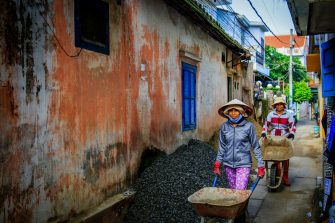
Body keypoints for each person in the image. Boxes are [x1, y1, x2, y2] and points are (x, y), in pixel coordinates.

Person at [213, 99, 265, 190]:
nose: (233, 113)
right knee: (233, 193)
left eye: (236, 110)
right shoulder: (224, 127)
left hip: (243, 163)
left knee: (240, 191)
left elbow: (255, 146)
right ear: (227, 112)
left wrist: (261, 165)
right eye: (231, 110)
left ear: (241, 112)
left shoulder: (249, 126)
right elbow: (222, 147)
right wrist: (217, 163)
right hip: (228, 164)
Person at [261, 97, 296, 186]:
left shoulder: (288, 115)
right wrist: (264, 133)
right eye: (277, 104)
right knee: (275, 156)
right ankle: (275, 173)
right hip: (273, 137)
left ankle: (285, 179)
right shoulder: (271, 114)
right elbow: (266, 125)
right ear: (275, 106)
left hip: (284, 138)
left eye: (281, 104)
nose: (279, 106)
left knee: (285, 159)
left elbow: (293, 126)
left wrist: (292, 133)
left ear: (284, 105)